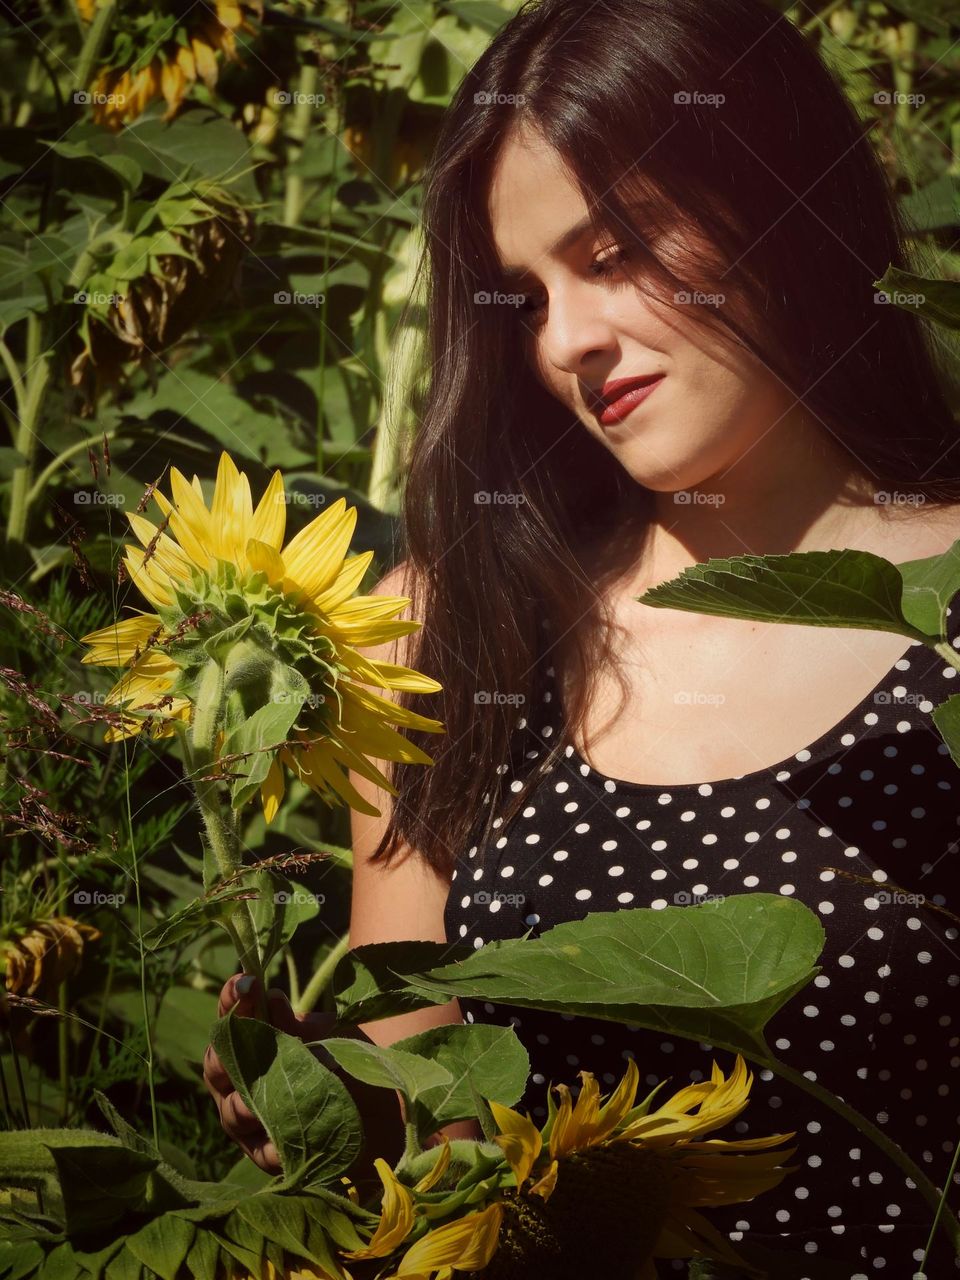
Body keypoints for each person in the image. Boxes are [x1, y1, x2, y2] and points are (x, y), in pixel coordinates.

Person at [205, 0, 960, 1273]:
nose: (565, 342)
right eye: (521, 297)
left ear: (776, 192)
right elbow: (440, 1124)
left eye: (613, 252)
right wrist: (356, 1112)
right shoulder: (454, 623)